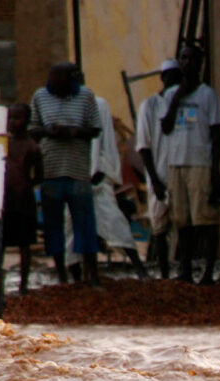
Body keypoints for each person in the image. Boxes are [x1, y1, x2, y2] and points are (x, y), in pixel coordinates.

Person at [70, 70, 149, 281]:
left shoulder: (98, 104)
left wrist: (97, 171)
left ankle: (140, 269)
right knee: (73, 226)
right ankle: (81, 275)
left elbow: (101, 141)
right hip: (74, 176)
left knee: (113, 221)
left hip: (98, 174)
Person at [29, 62, 102, 287]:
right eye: (53, 82)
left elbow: (95, 128)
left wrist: (73, 132)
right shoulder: (40, 96)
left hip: (78, 171)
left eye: (61, 83)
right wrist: (48, 131)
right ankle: (61, 276)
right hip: (50, 170)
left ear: (71, 80)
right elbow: (33, 128)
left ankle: (92, 276)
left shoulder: (86, 96)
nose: (56, 87)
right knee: (53, 227)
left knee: (85, 225)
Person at [161, 44, 220, 284]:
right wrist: (178, 96)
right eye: (183, 58)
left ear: (199, 63)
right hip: (176, 163)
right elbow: (165, 127)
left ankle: (208, 272)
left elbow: (216, 134)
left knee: (206, 220)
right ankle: (186, 270)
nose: (187, 63)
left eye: (191, 59)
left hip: (200, 163)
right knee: (182, 221)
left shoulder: (208, 95)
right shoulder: (169, 95)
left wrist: (215, 168)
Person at [136, 59, 183, 279]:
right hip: (159, 173)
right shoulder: (150, 105)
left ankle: (181, 272)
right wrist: (154, 179)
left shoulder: (184, 103)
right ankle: (164, 273)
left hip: (181, 172)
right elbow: (143, 146)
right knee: (159, 227)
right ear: (162, 78)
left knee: (182, 225)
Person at [2, 103, 42, 296]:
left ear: (27, 120)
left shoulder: (31, 145)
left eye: (17, 118)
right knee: (0, 243)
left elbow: (39, 175)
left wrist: (26, 185)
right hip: (3, 201)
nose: (12, 122)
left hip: (23, 200)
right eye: (10, 117)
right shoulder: (1, 143)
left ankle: (23, 285)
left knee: (24, 244)